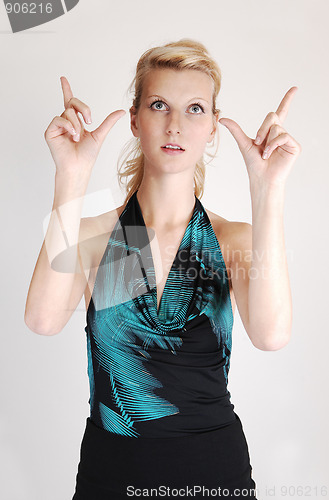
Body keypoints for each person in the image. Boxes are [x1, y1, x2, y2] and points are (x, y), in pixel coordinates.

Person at [25, 38, 301, 499]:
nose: (175, 125)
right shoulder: (98, 234)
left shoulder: (231, 239)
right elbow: (42, 320)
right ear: (134, 119)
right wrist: (70, 177)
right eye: (159, 105)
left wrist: (268, 189)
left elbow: (271, 336)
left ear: (213, 125)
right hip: (111, 475)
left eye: (195, 109)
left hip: (214, 475)